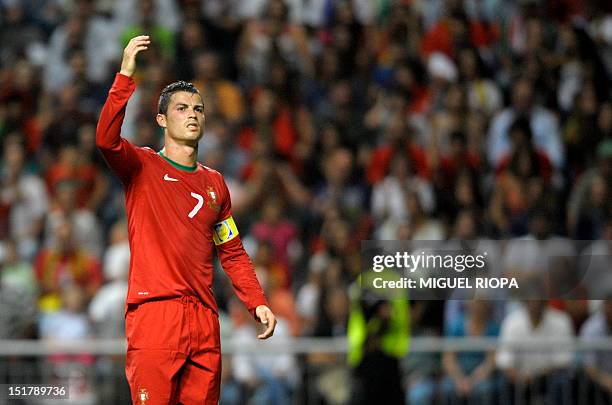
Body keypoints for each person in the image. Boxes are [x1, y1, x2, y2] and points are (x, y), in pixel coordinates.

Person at [96, 36, 276, 405]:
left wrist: (256, 300)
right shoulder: (142, 167)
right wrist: (125, 75)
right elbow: (106, 141)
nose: (192, 114)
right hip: (156, 314)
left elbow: (233, 251)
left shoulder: (215, 184)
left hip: (205, 321)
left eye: (198, 108)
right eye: (181, 108)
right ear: (161, 119)